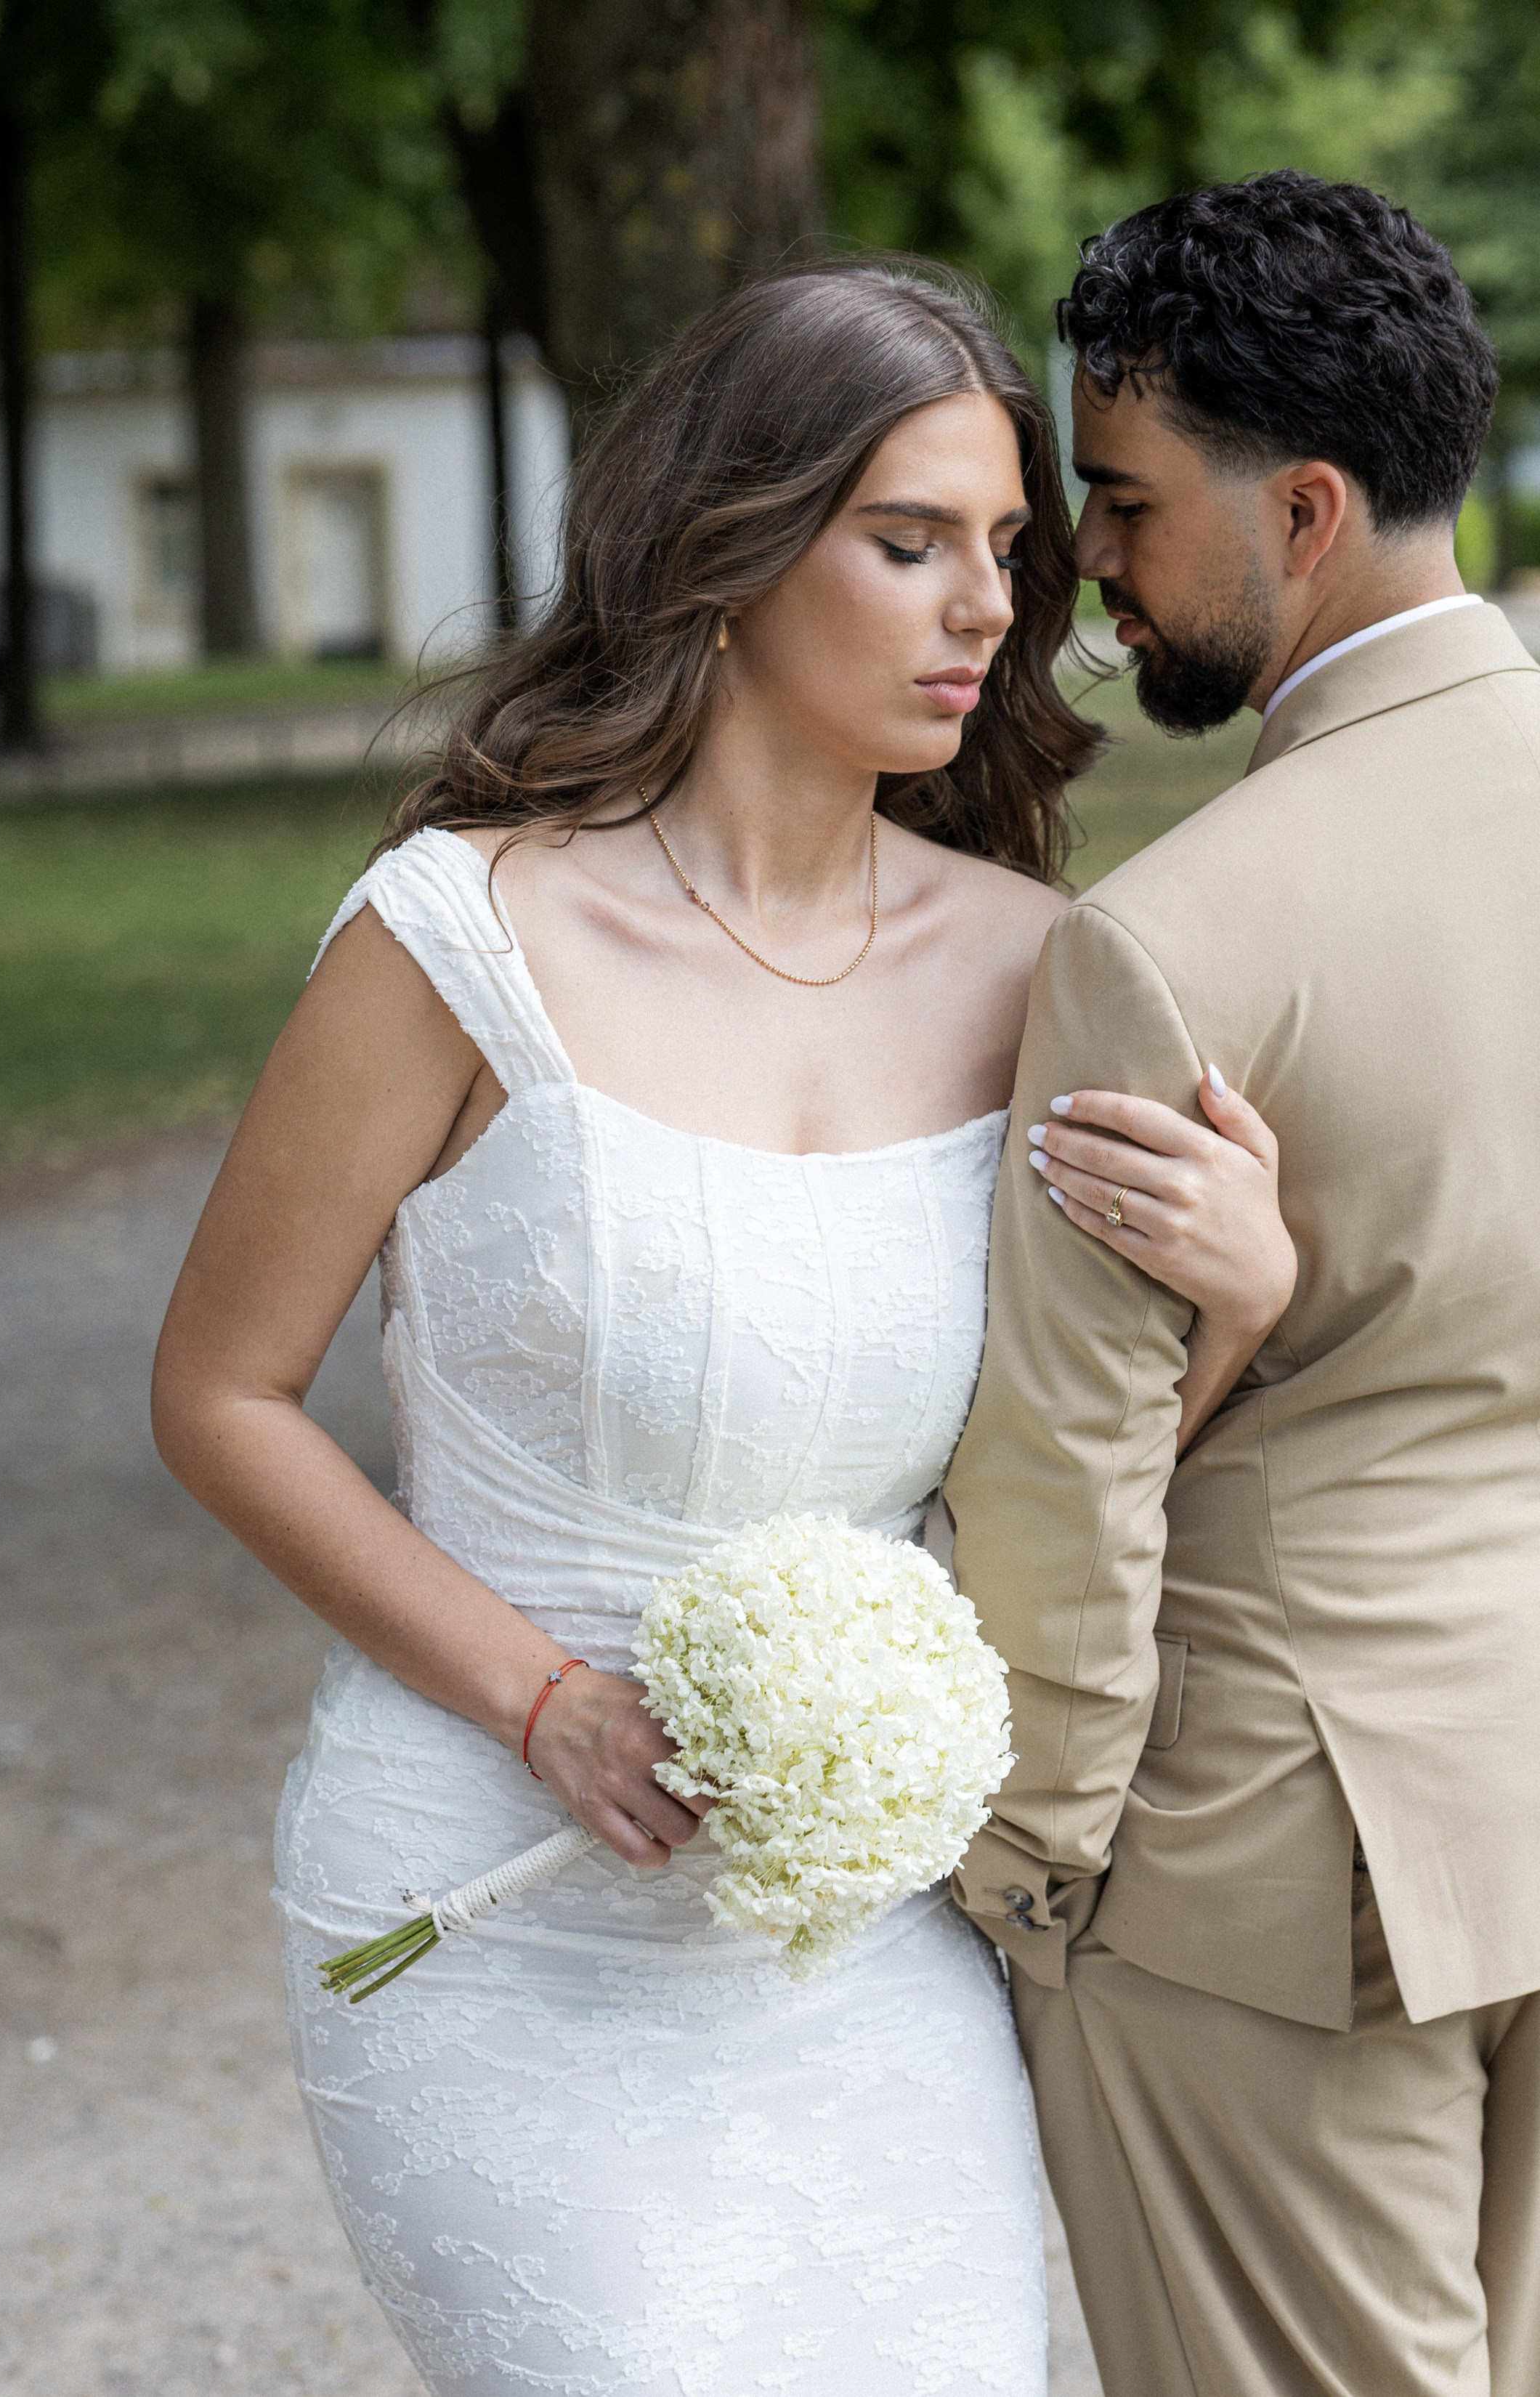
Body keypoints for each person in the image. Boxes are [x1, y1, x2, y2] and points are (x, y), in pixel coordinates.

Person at [152, 259, 1294, 2393]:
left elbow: (1061, 1466)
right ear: (735, 544)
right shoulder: (461, 933)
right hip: (484, 1888)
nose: (990, 607)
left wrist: (1235, 1298)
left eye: (1011, 550)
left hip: (858, 1936)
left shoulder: (1048, 969)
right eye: (909, 541)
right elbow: (219, 1392)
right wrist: (545, 1699)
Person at [946, 171, 1540, 2397]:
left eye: (1117, 501)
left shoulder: (1169, 942)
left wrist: (1026, 1879)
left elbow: (1067, 1482)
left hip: (1263, 1869)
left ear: (1301, 510)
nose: (1084, 563)